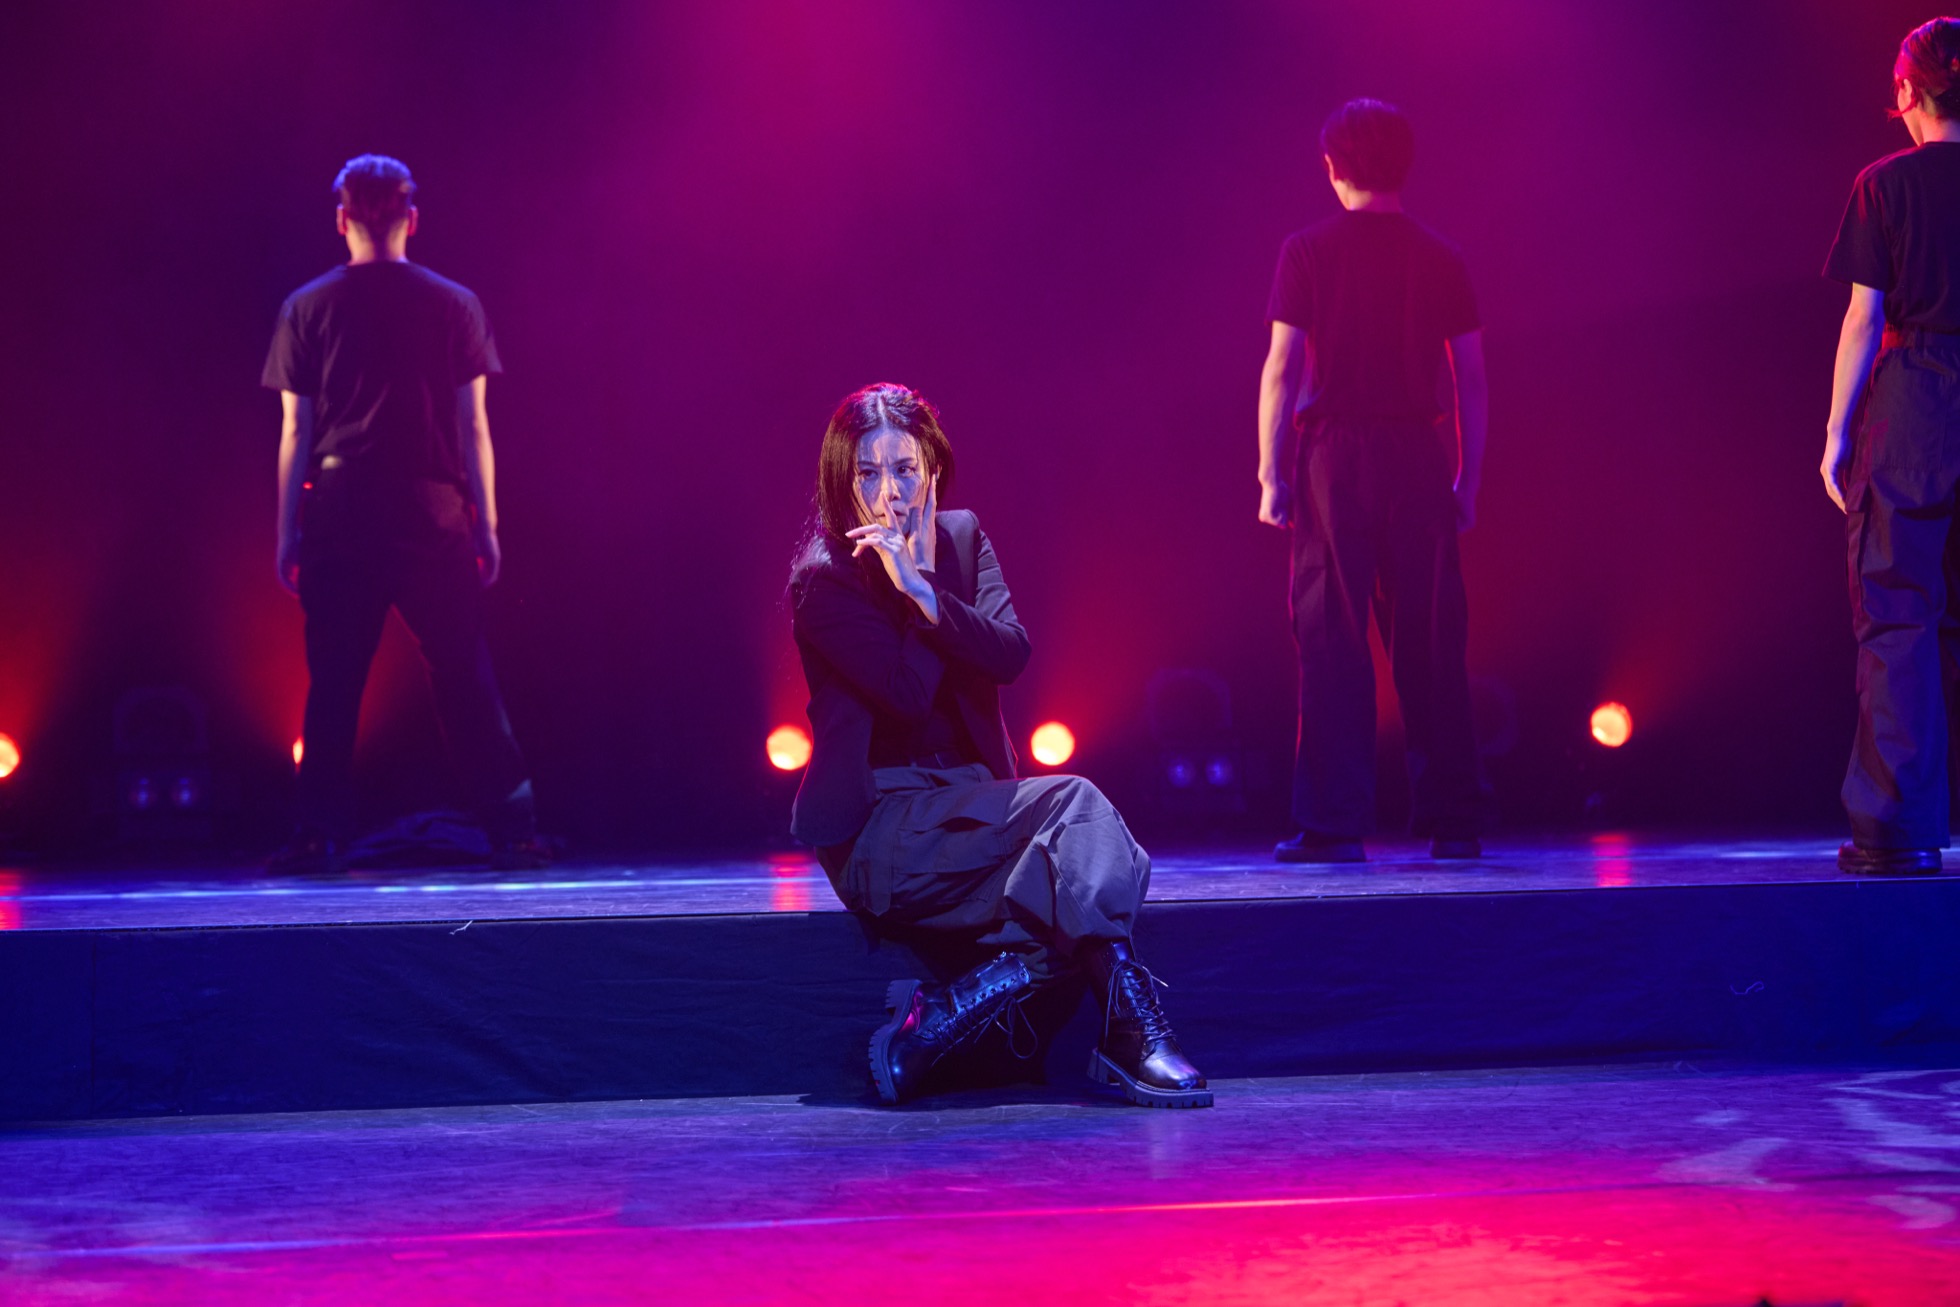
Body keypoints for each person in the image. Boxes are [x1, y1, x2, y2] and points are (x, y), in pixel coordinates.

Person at [787, 383, 1209, 1109]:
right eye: (869, 473)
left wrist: (929, 587)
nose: (890, 493)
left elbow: (1010, 653)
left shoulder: (960, 538)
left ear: (933, 469)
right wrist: (917, 589)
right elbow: (905, 694)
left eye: (906, 469)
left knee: (1082, 880)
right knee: (1078, 813)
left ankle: (934, 1024)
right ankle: (1129, 1032)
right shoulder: (824, 580)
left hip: (979, 813)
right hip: (885, 829)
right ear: (840, 478)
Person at [262, 154, 544, 875]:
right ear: (411, 218)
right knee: (463, 672)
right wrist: (487, 524)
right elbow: (473, 425)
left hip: (341, 507)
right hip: (431, 510)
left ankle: (317, 833)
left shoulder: (306, 307)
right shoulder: (454, 304)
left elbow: (296, 430)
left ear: (342, 219)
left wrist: (288, 530)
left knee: (334, 679)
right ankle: (513, 830)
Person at [1256, 98, 1494, 865]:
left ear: (1332, 167)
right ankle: (1454, 820)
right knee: (1431, 637)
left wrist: (1270, 474)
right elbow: (1471, 380)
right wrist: (1468, 477)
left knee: (1331, 635)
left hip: (1333, 457)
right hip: (1418, 456)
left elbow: (1281, 368)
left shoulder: (1306, 250)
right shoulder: (1441, 255)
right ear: (1405, 164)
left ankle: (1333, 823)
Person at [1822, 19, 1960, 876]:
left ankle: (1899, 831)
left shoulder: (1885, 184)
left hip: (1916, 404)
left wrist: (1837, 432)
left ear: (1907, 91)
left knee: (1899, 608)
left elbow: (1863, 320)